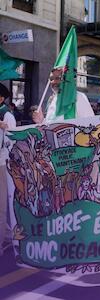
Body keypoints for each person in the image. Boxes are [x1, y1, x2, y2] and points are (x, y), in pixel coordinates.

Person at [0, 83, 16, 256]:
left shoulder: (7, 115)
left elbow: (12, 137)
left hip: (2, 163)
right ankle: (7, 237)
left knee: (1, 206)